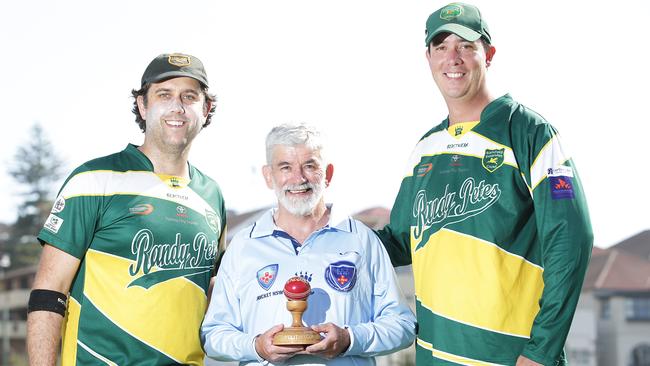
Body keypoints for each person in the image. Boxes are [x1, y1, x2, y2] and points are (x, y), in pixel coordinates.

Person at [375, 3, 593, 366]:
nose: (453, 58)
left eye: (465, 45)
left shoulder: (529, 132)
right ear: (427, 57)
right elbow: (399, 242)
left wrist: (541, 350)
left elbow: (570, 241)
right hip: (436, 356)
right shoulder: (425, 149)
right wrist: (328, 236)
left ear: (488, 54)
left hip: (513, 356)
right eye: (441, 47)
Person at [26, 53, 227, 365]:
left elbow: (215, 298)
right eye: (164, 94)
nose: (177, 106)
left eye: (190, 96)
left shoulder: (213, 195)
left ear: (206, 108)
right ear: (143, 105)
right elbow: (48, 292)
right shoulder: (94, 180)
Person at [201, 123, 416, 365]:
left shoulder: (362, 240)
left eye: (310, 166)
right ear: (268, 176)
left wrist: (349, 339)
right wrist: (256, 347)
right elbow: (213, 334)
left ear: (329, 174)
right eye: (285, 167)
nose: (299, 178)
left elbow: (403, 325)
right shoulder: (242, 247)